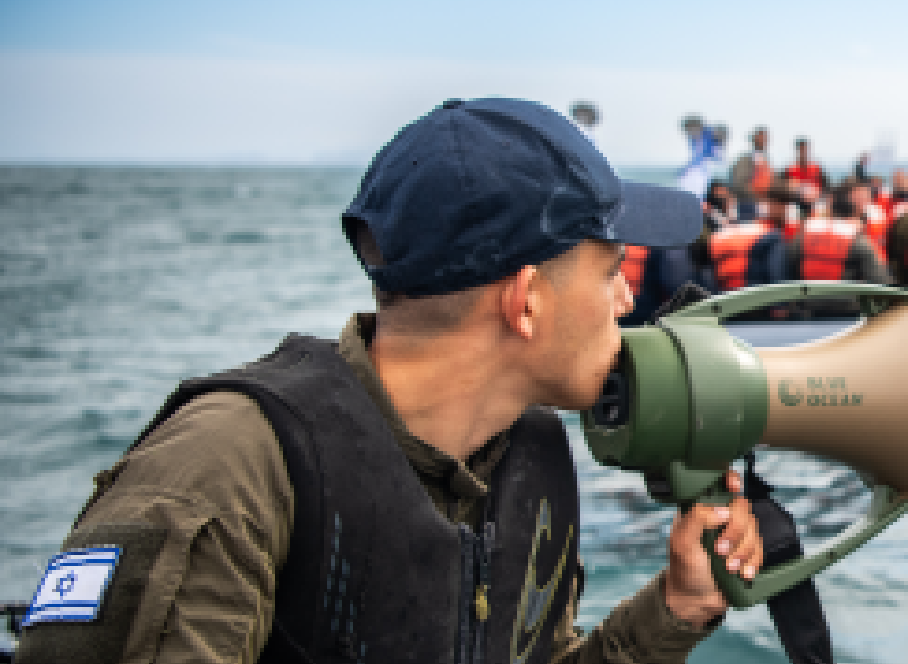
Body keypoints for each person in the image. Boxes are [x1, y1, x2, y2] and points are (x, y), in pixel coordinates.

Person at [14, 99, 763, 664]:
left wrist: (676, 605)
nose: (629, 300)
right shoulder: (225, 471)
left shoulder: (527, 456)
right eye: (610, 272)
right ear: (525, 299)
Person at [794, 193, 892, 283]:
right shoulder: (860, 243)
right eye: (862, 219)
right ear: (854, 217)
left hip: (806, 299)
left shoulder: (801, 237)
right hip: (847, 300)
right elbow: (882, 282)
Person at [710, 190, 797, 291]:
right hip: (753, 292)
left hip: (727, 296)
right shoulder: (768, 234)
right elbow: (776, 274)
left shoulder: (790, 231)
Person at [728, 126, 774, 213]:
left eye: (765, 138)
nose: (763, 141)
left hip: (765, 205)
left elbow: (771, 183)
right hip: (747, 204)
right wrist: (757, 193)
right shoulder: (743, 160)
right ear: (754, 139)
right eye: (760, 137)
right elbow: (737, 183)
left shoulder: (768, 162)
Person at [782, 137, 825, 203]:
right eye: (800, 149)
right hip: (796, 200)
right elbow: (789, 188)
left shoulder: (815, 168)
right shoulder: (791, 169)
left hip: (813, 200)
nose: (802, 152)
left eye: (804, 149)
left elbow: (821, 188)